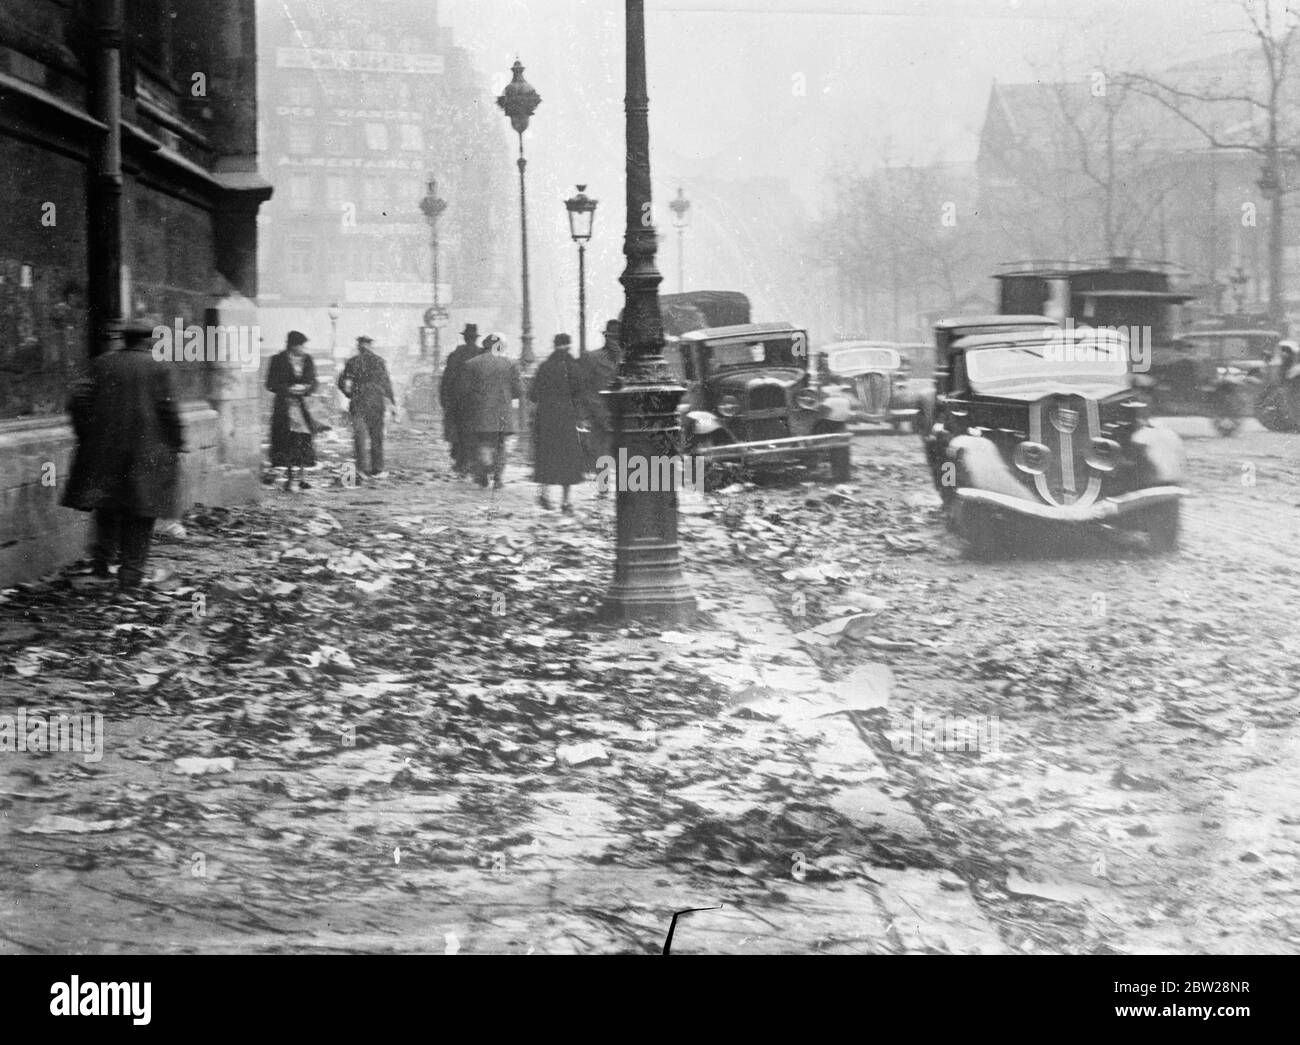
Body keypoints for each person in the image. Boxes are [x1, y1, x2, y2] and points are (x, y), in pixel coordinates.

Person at [62, 320, 185, 589]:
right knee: (141, 515)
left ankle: (101, 568)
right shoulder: (160, 367)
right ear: (149, 340)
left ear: (125, 339)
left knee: (108, 508)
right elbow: (169, 412)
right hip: (147, 453)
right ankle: (130, 577)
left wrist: (88, 435)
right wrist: (176, 443)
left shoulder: (101, 363)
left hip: (105, 453)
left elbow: (77, 400)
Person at [530, 333, 588, 513]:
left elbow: (532, 394)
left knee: (546, 455)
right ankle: (565, 501)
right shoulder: (574, 367)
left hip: (546, 418)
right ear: (569, 346)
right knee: (567, 459)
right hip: (567, 419)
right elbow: (580, 395)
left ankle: (543, 495)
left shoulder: (544, 367)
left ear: (554, 346)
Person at [463, 332, 523, 490]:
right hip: (503, 412)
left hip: (480, 411)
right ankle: (498, 478)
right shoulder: (510, 364)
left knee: (483, 442)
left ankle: (483, 471)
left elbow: (465, 390)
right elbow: (518, 390)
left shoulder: (472, 364)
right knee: (501, 444)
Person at [266, 331, 320, 492]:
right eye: (300, 345)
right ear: (292, 345)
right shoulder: (277, 360)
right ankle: (290, 477)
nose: (303, 348)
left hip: (303, 406)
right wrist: (288, 389)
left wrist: (306, 388)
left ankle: (303, 477)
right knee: (287, 440)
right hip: (285, 406)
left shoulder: (308, 360)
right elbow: (270, 384)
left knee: (303, 439)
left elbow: (314, 381)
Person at [337, 335, 397, 480]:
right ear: (370, 346)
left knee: (360, 437)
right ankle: (377, 469)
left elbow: (341, 382)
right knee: (376, 436)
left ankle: (361, 469)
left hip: (358, 402)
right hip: (376, 402)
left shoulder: (352, 362)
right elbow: (386, 383)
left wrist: (349, 394)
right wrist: (392, 402)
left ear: (359, 346)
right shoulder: (379, 361)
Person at [578, 319, 620, 481]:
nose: (615, 342)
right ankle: (603, 488)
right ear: (606, 337)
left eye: (618, 338)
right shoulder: (592, 358)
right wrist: (589, 412)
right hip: (600, 414)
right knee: (601, 452)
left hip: (624, 414)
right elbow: (584, 388)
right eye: (612, 338)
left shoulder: (630, 360)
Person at [439, 323, 480, 476]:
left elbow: (447, 379)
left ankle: (460, 462)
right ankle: (472, 461)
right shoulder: (481, 354)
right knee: (474, 431)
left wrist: (444, 399)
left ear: (464, 338)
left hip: (457, 400)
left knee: (459, 431)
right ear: (475, 339)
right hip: (476, 401)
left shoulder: (455, 355)